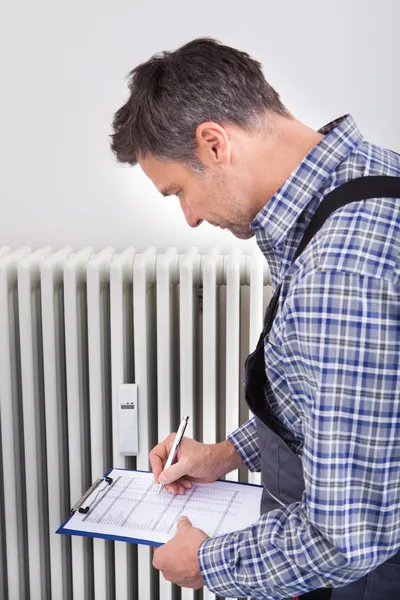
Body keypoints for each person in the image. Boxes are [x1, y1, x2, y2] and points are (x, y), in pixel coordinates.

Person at [110, 38, 400, 600]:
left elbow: (345, 540)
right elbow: (358, 407)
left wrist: (206, 564)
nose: (190, 217)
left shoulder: (340, 274)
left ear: (214, 144)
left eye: (180, 192)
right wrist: (226, 454)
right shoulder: (371, 180)